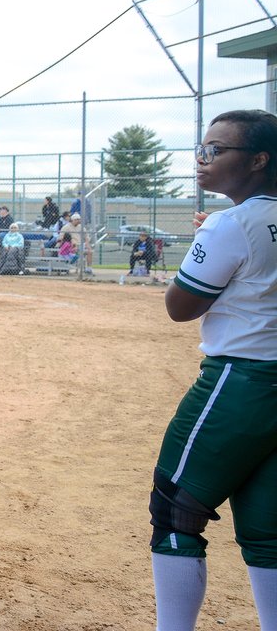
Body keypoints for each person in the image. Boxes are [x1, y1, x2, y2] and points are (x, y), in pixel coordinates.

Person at [150, 109, 277, 631]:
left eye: (216, 149)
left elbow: (181, 306)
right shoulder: (241, 221)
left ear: (258, 160)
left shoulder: (232, 223)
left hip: (240, 380)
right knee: (268, 528)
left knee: (176, 511)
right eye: (202, 149)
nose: (202, 159)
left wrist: (211, 243)